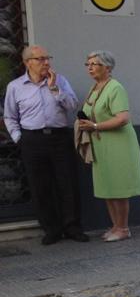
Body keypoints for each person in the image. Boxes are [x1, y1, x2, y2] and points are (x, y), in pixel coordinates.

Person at [3, 45, 86, 245]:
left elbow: (73, 106)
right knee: (40, 185)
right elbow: (10, 116)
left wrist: (55, 89)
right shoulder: (15, 87)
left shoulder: (60, 81)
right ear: (27, 63)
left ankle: (72, 227)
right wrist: (19, 138)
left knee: (67, 182)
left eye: (47, 58)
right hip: (32, 140)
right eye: (40, 59)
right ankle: (52, 229)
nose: (46, 62)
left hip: (59, 137)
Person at [76, 50, 140, 242]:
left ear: (107, 67)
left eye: (94, 64)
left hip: (118, 144)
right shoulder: (95, 88)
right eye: (87, 64)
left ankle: (123, 228)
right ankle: (115, 226)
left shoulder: (116, 88)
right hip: (101, 144)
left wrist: (95, 126)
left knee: (119, 188)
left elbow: (123, 118)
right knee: (107, 186)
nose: (90, 67)